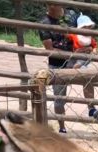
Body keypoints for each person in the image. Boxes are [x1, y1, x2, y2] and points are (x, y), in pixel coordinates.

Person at [39, 3, 74, 133]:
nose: (62, 7)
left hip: (74, 60)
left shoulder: (67, 18)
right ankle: (62, 127)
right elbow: (49, 49)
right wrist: (70, 54)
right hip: (58, 64)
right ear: (51, 5)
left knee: (90, 78)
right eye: (59, 4)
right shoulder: (45, 23)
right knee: (60, 98)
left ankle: (92, 108)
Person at [67, 14, 98, 121]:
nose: (87, 29)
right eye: (85, 27)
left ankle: (91, 109)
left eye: (88, 27)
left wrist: (93, 50)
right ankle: (91, 108)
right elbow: (68, 45)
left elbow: (95, 46)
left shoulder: (89, 38)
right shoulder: (74, 36)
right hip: (73, 61)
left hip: (84, 61)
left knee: (88, 78)